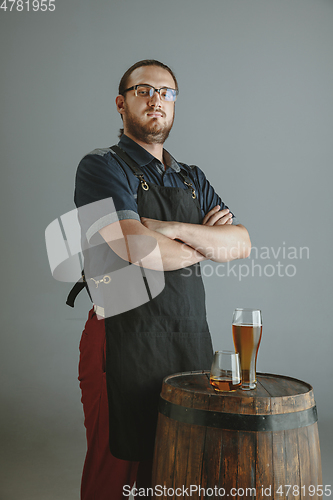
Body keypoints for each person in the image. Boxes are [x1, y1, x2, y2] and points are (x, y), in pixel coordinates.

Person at [73, 59, 251, 499]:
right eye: (144, 90)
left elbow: (241, 244)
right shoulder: (101, 167)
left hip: (189, 343)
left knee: (179, 467)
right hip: (121, 339)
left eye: (167, 92)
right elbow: (131, 246)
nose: (157, 99)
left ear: (175, 104)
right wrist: (206, 243)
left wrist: (167, 229)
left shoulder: (192, 179)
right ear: (122, 102)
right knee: (115, 474)